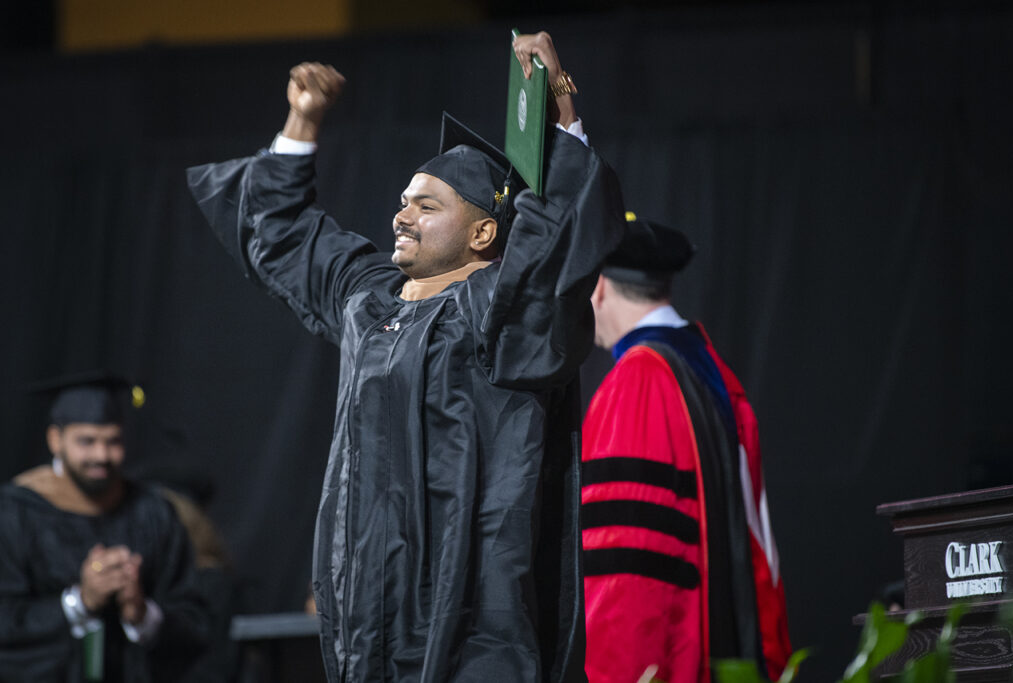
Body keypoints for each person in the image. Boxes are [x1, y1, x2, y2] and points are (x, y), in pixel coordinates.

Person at [187, 32, 624, 683]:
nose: (402, 215)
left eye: (427, 205)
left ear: (482, 232)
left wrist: (557, 104)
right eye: (402, 201)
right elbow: (281, 233)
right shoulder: (368, 297)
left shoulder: (493, 307)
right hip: (365, 613)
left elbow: (555, 244)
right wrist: (302, 119)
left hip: (474, 616)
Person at [582, 216, 792, 683]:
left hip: (668, 665)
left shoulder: (638, 383)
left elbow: (629, 573)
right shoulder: (712, 369)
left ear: (598, 287)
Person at [0, 373, 212, 682]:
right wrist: (79, 603)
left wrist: (142, 613)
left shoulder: (153, 512)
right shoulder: (15, 514)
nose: (101, 455)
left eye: (112, 441)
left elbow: (197, 625)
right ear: (55, 440)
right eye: (87, 441)